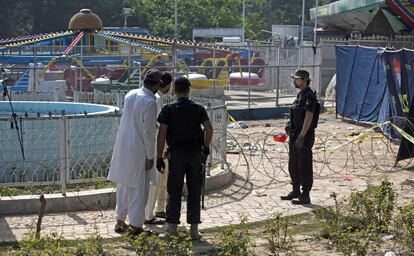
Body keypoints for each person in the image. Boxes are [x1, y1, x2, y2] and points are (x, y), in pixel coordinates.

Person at [156, 77, 213, 240]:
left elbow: (162, 135)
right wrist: (206, 147)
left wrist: (159, 156)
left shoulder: (168, 109)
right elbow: (209, 129)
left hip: (176, 155)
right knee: (194, 191)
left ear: (174, 90)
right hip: (195, 154)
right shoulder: (199, 109)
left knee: (174, 191)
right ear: (189, 90)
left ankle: (172, 229)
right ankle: (194, 231)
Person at [107, 68, 162, 236]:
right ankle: (136, 226)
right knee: (139, 189)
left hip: (124, 146)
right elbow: (148, 132)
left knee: (123, 185)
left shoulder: (131, 94)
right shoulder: (150, 102)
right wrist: (151, 156)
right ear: (157, 85)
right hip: (139, 150)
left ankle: (120, 221)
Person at [281, 69, 319, 205]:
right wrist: (288, 125)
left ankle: (305, 194)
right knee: (294, 164)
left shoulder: (309, 96)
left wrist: (302, 136)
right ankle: (295, 190)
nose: (294, 81)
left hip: (303, 136)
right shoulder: (300, 96)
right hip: (294, 134)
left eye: (297, 79)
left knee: (304, 165)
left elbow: (309, 116)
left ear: (304, 80)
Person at [144, 72, 173, 225]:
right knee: (155, 181)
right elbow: (158, 128)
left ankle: (158, 209)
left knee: (162, 179)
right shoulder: (154, 100)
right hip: (157, 146)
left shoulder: (153, 99)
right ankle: (148, 215)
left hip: (157, 145)